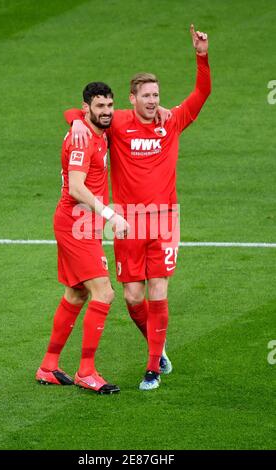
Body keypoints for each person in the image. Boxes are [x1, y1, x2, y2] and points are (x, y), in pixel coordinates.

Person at [64, 25, 211, 391]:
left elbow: (202, 93)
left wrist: (201, 55)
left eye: (155, 95)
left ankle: (152, 369)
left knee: (158, 290)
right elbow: (82, 113)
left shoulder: (172, 121)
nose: (151, 100)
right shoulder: (117, 123)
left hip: (164, 222)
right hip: (128, 224)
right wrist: (76, 124)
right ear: (132, 98)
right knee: (131, 297)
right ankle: (157, 347)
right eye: (145, 95)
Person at [36, 82, 129, 394]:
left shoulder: (89, 128)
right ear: (87, 107)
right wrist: (111, 215)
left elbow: (72, 113)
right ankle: (86, 372)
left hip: (81, 224)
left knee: (76, 294)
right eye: (99, 107)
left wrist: (76, 117)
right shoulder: (82, 140)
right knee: (104, 293)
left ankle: (48, 366)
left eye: (109, 106)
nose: (106, 112)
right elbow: (76, 188)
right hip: (76, 224)